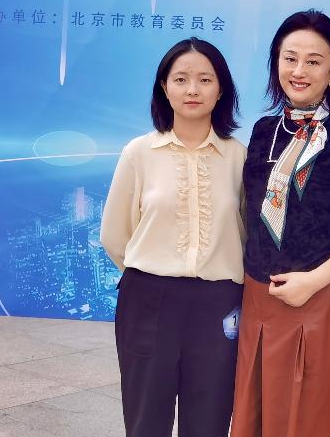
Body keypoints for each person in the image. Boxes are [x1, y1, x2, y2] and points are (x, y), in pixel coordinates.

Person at [231, 10, 330, 437]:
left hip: (318, 301)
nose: (299, 71)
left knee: (318, 420)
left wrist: (312, 282)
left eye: (314, 61)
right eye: (290, 58)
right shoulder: (262, 132)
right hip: (258, 301)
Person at [100, 37, 247, 437]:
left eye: (205, 79)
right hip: (149, 300)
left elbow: (249, 233)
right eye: (181, 79)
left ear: (221, 89)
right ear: (164, 88)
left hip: (218, 303)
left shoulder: (239, 157)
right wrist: (151, 274)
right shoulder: (139, 153)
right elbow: (114, 234)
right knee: (146, 419)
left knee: (210, 421)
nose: (192, 90)